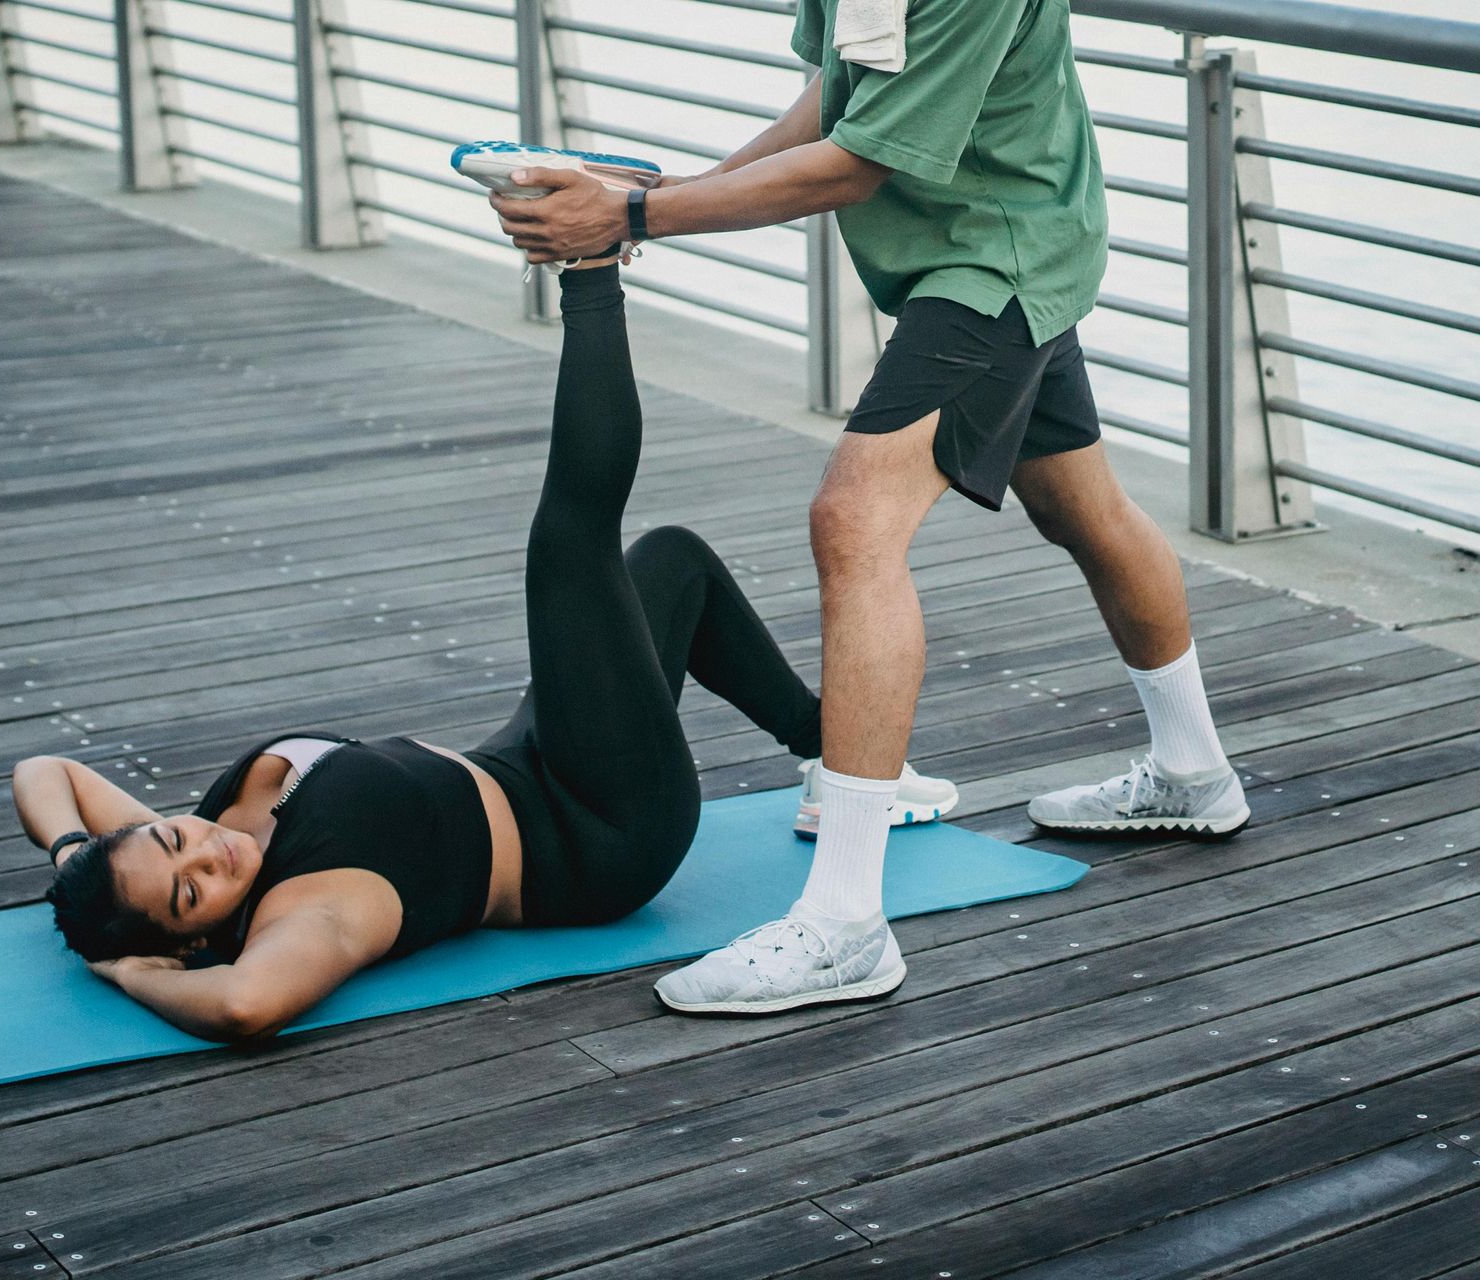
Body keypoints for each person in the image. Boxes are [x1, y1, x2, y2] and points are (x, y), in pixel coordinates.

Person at [491, 0, 1248, 1015]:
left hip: (995, 261)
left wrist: (633, 218)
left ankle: (845, 923)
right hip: (1003, 242)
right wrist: (673, 191)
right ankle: (1194, 771)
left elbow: (856, 164)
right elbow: (835, 96)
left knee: (855, 521)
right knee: (1081, 505)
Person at [11, 257, 951, 1041]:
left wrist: (67, 857)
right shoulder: (309, 911)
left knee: (673, 565)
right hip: (598, 831)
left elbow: (44, 769)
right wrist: (129, 973)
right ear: (193, 942)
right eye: (189, 896)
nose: (205, 858)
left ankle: (840, 762)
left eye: (173, 838)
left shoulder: (212, 837)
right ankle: (591, 272)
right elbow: (247, 1004)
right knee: (568, 544)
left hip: (528, 758)